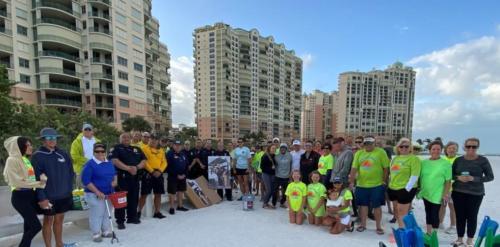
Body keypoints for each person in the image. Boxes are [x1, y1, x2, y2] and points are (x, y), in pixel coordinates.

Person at [31, 128, 75, 247]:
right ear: (43, 140)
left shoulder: (63, 153)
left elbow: (71, 173)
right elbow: (37, 179)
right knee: (48, 221)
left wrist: (69, 189)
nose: (52, 140)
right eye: (48, 138)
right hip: (48, 197)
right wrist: (42, 198)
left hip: (64, 195)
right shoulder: (37, 156)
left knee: (60, 220)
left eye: (54, 138)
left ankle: (59, 244)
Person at [3, 136, 46, 247]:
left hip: (30, 195)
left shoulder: (25, 159)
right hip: (20, 197)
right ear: (19, 147)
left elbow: (29, 178)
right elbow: (16, 181)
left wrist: (40, 178)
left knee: (28, 226)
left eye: (30, 144)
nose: (31, 147)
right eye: (28, 145)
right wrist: (40, 183)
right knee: (36, 226)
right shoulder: (11, 160)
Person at [451, 138, 494, 247]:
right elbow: (450, 175)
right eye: (468, 146)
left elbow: (490, 177)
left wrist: (473, 179)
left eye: (474, 146)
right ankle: (459, 239)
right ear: (464, 147)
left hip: (476, 193)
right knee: (460, 216)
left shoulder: (483, 160)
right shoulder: (458, 160)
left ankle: (469, 240)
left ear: (477, 147)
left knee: (472, 216)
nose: (471, 149)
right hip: (458, 192)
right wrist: (458, 177)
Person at [349, 136, 389, 234]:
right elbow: (354, 168)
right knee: (363, 206)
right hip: (361, 185)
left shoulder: (381, 152)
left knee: (377, 206)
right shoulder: (359, 153)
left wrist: (384, 181)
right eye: (366, 143)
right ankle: (363, 225)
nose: (368, 145)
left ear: (374, 143)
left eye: (370, 143)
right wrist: (351, 182)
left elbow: (386, 168)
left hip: (377, 184)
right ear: (364, 144)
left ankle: (378, 226)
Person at [81, 143, 117, 242]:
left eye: (102, 151)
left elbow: (114, 174)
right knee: (97, 214)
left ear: (105, 152)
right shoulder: (90, 164)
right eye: (97, 151)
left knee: (107, 212)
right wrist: (97, 192)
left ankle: (105, 230)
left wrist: (115, 181)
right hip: (94, 194)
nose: (100, 153)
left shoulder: (109, 162)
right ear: (94, 152)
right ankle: (96, 233)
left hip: (108, 193)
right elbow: (86, 181)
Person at [109, 133, 146, 229]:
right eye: (123, 137)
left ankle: (132, 217)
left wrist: (136, 168)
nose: (126, 139)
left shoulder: (137, 149)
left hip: (135, 178)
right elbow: (114, 161)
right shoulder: (116, 148)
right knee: (121, 200)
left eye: (128, 137)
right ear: (119, 139)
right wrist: (128, 168)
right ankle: (120, 221)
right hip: (122, 178)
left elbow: (144, 161)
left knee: (133, 199)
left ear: (131, 139)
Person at [419, 141, 452, 235]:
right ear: (430, 150)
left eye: (438, 149)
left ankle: (434, 234)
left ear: (441, 150)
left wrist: (445, 195)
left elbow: (448, 181)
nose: (436, 151)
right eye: (433, 149)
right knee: (428, 213)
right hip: (426, 192)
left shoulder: (445, 164)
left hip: (438, 193)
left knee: (434, 214)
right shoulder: (424, 162)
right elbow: (420, 177)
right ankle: (428, 233)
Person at [387, 138, 421, 228]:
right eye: (401, 146)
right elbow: (392, 173)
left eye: (406, 146)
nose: (404, 148)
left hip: (405, 189)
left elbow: (414, 176)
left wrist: (406, 190)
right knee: (397, 211)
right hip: (393, 188)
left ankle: (403, 231)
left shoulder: (414, 159)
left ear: (410, 148)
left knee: (403, 212)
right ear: (398, 148)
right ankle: (401, 227)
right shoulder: (395, 159)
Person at [138, 135, 168, 219]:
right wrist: (152, 171)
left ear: (158, 141)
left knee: (158, 194)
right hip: (148, 173)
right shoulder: (144, 149)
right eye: (152, 140)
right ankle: (138, 212)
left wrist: (160, 171)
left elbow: (164, 162)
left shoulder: (161, 150)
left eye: (155, 140)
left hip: (159, 173)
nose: (153, 141)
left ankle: (157, 212)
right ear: (149, 140)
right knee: (144, 194)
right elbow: (144, 162)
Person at [70, 123, 100, 188]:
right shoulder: (76, 142)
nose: (87, 131)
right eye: (85, 129)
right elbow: (74, 156)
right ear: (82, 131)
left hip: (96, 169)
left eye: (89, 129)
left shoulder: (98, 141)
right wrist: (89, 162)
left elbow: (103, 154)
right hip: (82, 169)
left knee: (97, 188)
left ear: (92, 131)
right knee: (82, 190)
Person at [440, 141, 459, 234]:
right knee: (442, 206)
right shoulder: (442, 160)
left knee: (453, 207)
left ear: (457, 150)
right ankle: (440, 223)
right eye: (450, 148)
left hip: (454, 189)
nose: (452, 150)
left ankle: (453, 226)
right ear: (446, 150)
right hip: (443, 188)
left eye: (454, 148)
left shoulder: (459, 160)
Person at [166, 140, 189, 215]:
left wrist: (184, 174)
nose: (178, 146)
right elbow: (167, 167)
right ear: (173, 146)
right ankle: (171, 207)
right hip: (173, 176)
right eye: (176, 145)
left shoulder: (183, 154)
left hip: (182, 176)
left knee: (180, 191)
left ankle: (180, 206)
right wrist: (176, 175)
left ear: (181, 146)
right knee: (172, 192)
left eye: (179, 145)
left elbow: (186, 165)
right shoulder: (169, 154)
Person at [275, 143, 293, 208]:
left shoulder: (290, 155)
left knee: (285, 191)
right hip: (278, 176)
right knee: (275, 190)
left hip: (286, 176)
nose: (283, 149)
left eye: (284, 148)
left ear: (286, 149)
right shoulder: (276, 156)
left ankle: (282, 203)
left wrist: (290, 175)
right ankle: (274, 202)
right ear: (280, 149)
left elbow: (291, 165)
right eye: (281, 148)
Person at [261, 143, 277, 208]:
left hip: (272, 175)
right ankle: (264, 203)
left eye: (275, 149)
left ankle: (266, 202)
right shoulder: (265, 156)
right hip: (266, 174)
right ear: (269, 148)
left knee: (272, 190)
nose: (274, 150)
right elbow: (262, 167)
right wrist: (271, 168)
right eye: (272, 148)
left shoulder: (274, 156)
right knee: (269, 190)